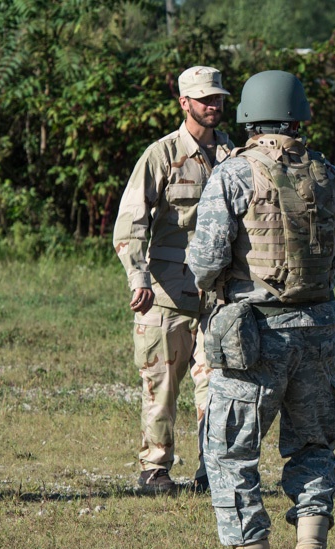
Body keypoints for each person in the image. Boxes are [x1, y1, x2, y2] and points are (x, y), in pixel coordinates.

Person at [185, 70, 335, 549]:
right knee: (313, 444)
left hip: (255, 335)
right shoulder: (329, 175)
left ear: (248, 115)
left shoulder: (234, 173)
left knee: (227, 450)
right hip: (318, 330)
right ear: (299, 116)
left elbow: (206, 261)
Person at [113, 66, 234, 494]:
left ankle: (211, 470)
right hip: (164, 293)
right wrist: (138, 277)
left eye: (218, 98)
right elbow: (130, 223)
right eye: (205, 99)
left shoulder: (232, 156)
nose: (214, 105)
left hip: (217, 297)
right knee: (161, 387)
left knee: (217, 387)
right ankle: (155, 469)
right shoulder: (161, 155)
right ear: (185, 103)